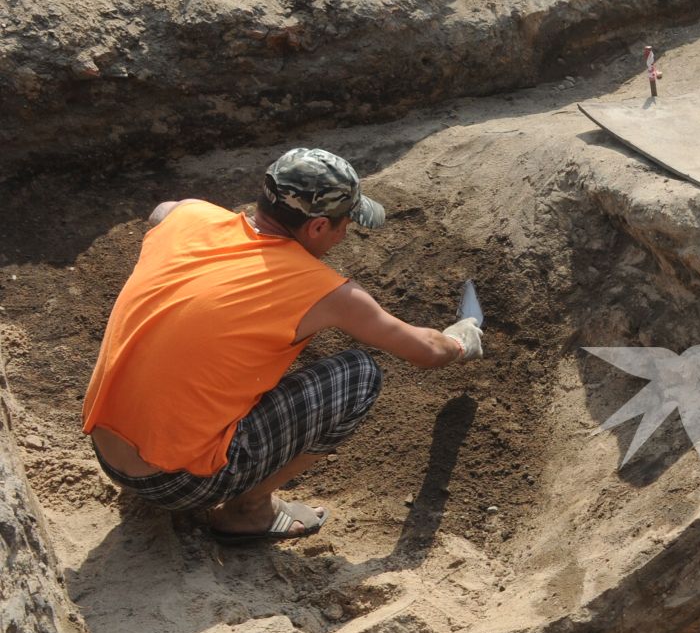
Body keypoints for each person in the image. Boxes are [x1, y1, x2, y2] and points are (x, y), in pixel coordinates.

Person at [81, 148, 485, 544]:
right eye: (344, 223)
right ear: (316, 227)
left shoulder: (187, 216)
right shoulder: (328, 292)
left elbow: (163, 210)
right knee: (359, 375)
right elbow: (426, 352)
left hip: (105, 447)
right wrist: (460, 338)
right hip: (176, 483)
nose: (346, 233)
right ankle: (248, 510)